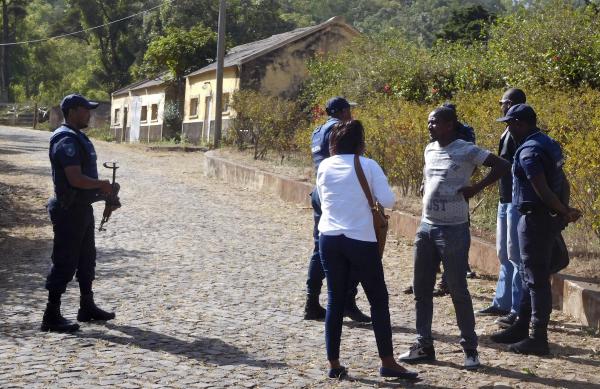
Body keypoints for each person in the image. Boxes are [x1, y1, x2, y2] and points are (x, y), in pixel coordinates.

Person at [399, 106, 510, 369]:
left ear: (449, 125)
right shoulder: (429, 149)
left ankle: (470, 349)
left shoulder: (466, 149)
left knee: (458, 291)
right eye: (428, 122)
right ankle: (424, 344)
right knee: (421, 289)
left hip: (453, 230)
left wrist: (476, 187)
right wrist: (425, 185)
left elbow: (503, 164)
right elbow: (431, 175)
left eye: (434, 122)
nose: (429, 126)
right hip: (426, 227)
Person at [317, 119, 418, 379]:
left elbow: (321, 196)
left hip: (329, 238)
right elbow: (389, 200)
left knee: (335, 300)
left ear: (334, 143)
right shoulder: (368, 165)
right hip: (360, 239)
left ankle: (334, 364)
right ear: (360, 143)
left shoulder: (325, 166)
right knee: (378, 300)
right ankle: (387, 361)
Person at [490, 104, 581, 355]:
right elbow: (562, 180)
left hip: (535, 220)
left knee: (536, 280)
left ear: (520, 123)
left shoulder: (528, 151)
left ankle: (537, 337)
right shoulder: (547, 142)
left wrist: (563, 210)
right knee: (531, 275)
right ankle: (521, 325)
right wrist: (564, 209)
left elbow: (541, 187)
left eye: (509, 124)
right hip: (545, 219)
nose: (508, 129)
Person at [41, 94, 120, 332]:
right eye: (86, 110)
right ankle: (51, 314)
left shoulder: (78, 137)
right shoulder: (65, 139)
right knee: (65, 261)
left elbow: (83, 179)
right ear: (73, 111)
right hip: (68, 210)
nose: (89, 114)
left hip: (81, 209)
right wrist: (101, 185)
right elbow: (74, 178)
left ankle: (87, 306)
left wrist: (106, 193)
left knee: (87, 260)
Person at [303, 97, 370, 323]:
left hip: (320, 191)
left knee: (319, 246)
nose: (351, 114)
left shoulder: (317, 131)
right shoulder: (339, 130)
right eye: (349, 110)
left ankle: (311, 302)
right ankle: (347, 302)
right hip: (338, 194)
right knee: (353, 246)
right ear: (342, 111)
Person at [476, 89, 527, 328]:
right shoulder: (508, 131)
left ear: (512, 104)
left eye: (503, 103)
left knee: (515, 257)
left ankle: (517, 308)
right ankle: (502, 301)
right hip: (504, 199)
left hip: (515, 201)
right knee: (504, 254)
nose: (501, 107)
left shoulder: (520, 132)